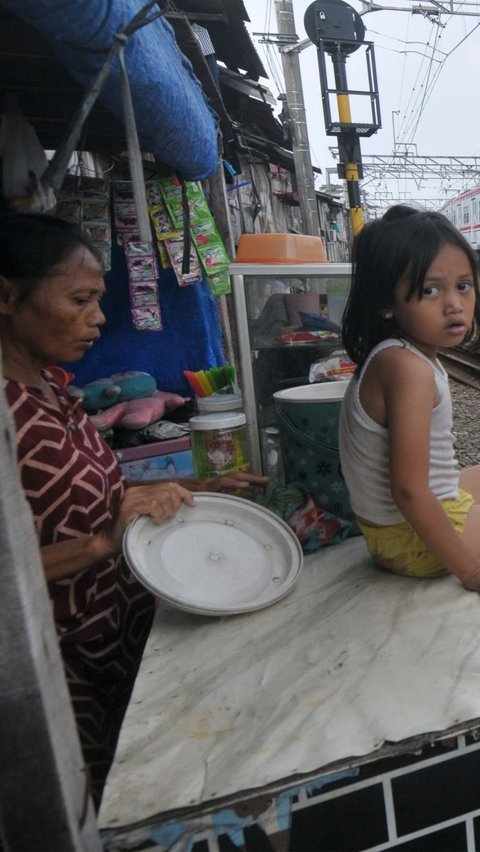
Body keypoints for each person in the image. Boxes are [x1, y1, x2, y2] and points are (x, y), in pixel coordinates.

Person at [0, 210, 268, 808]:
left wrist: (196, 485)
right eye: (81, 299)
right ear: (7, 296)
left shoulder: (52, 390)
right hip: (61, 679)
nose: (99, 317)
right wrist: (100, 545)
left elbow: (85, 496)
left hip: (119, 644)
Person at [339, 204, 480, 591]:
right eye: (430, 290)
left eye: (463, 285)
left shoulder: (397, 354)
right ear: (386, 303)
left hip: (389, 531)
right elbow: (409, 490)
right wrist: (470, 573)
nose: (454, 304)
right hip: (410, 538)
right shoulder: (408, 369)